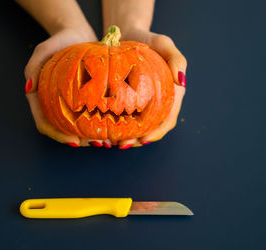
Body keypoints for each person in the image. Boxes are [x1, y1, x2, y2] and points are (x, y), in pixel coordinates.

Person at [16, 0, 187, 149]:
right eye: (87, 77)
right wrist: (66, 24)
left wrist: (130, 26)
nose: (108, 95)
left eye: (128, 80)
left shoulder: (145, 57)